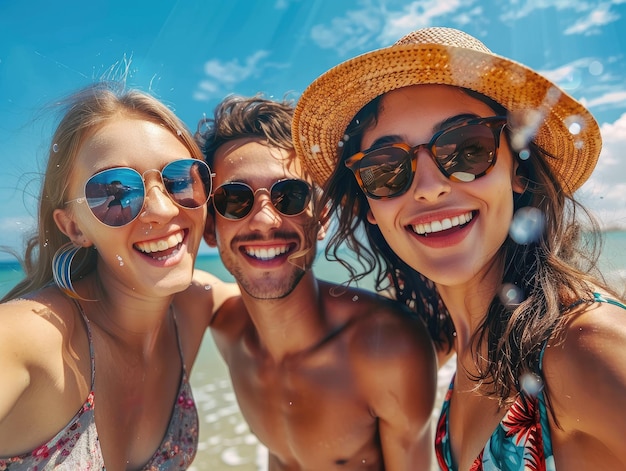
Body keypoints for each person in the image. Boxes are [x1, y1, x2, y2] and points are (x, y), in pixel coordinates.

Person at [292, 27, 626, 470]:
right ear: (370, 205)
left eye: (468, 149)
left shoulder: (583, 346)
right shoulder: (464, 343)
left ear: (518, 170)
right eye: (386, 169)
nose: (429, 188)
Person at [0, 83, 237, 470]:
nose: (161, 209)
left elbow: (282, 311)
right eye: (115, 194)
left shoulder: (195, 306)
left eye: (180, 180)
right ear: (74, 227)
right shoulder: (33, 339)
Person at [195, 95, 437, 470]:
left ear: (321, 218)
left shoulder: (386, 349)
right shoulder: (227, 328)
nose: (263, 221)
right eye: (234, 200)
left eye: (289, 196)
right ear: (211, 227)